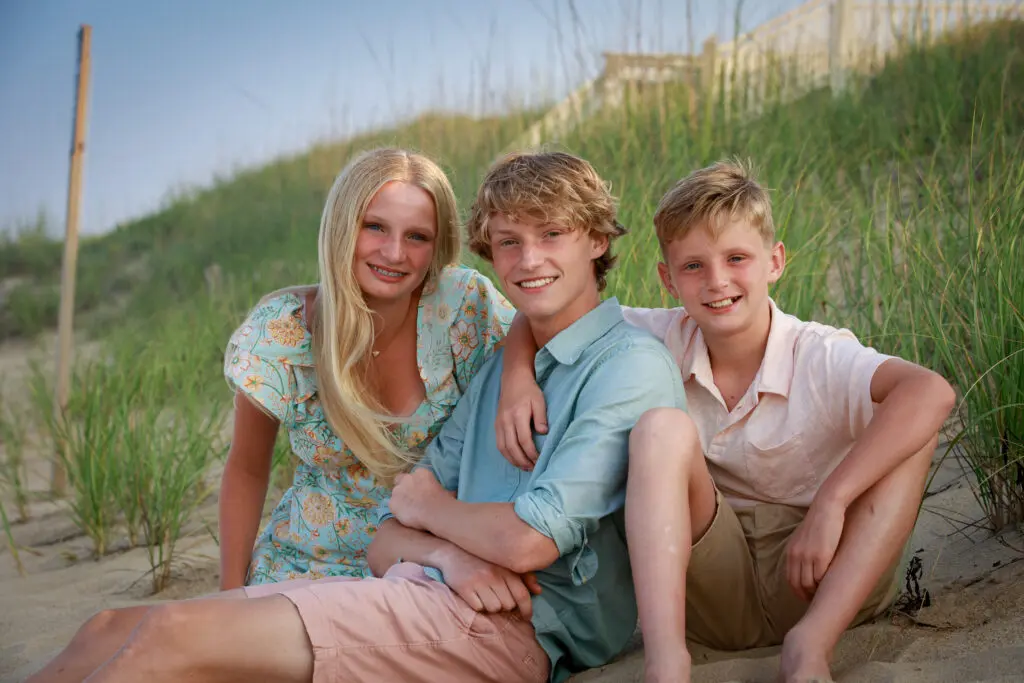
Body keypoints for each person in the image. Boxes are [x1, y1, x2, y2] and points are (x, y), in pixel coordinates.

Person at [28, 150, 685, 683]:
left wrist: (431, 509)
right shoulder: (491, 363)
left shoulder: (600, 358)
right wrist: (439, 538)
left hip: (496, 616)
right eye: (508, 242)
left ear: (597, 239)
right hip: (399, 573)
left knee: (166, 643)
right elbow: (372, 522)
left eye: (551, 235)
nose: (527, 259)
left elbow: (524, 542)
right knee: (110, 627)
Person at [497, 159, 956, 683]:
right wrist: (518, 377)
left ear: (775, 262)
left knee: (912, 430)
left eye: (737, 258)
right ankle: (667, 664)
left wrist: (833, 500)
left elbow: (931, 391)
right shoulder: (656, 338)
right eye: (693, 266)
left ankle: (811, 648)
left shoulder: (817, 353)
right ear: (668, 279)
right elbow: (547, 311)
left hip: (824, 576)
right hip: (715, 583)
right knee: (659, 429)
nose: (717, 282)